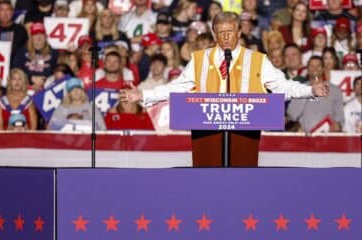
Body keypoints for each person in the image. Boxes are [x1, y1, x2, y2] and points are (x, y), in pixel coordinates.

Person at [120, 11, 330, 167]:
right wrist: (142, 94)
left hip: (244, 133)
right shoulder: (199, 59)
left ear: (239, 31)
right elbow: (177, 88)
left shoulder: (257, 60)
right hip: (206, 133)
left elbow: (282, 86)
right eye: (221, 33)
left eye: (230, 31)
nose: (226, 37)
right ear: (213, 33)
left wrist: (310, 90)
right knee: (206, 182)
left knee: (242, 182)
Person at [286, 56, 344, 133]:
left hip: (328, 138)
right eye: (311, 66)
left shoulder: (335, 90)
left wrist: (338, 125)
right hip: (305, 138)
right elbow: (292, 116)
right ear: (307, 69)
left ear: (323, 68)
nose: (315, 68)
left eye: (318, 66)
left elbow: (340, 117)